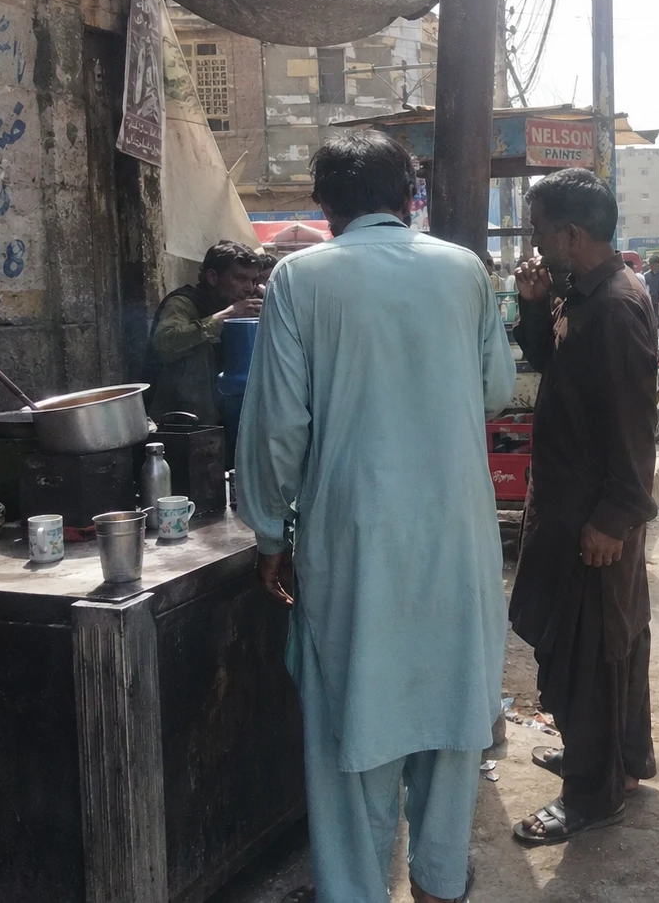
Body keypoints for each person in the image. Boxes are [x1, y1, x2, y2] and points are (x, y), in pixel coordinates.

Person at [236, 130, 515, 903]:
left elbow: (276, 428)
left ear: (327, 210)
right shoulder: (464, 271)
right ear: (408, 199)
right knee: (451, 722)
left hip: (351, 540)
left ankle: (358, 889)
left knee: (352, 735)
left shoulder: (302, 280)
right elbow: (495, 390)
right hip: (456, 534)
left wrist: (268, 533)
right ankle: (437, 883)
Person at [509, 168, 658, 846]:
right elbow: (555, 368)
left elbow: (633, 427)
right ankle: (614, 761)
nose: (537, 246)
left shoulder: (615, 306)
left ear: (570, 233)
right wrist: (536, 306)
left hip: (592, 517)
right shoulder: (584, 296)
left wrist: (614, 518)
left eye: (541, 233)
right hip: (574, 506)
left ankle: (591, 795)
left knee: (589, 654)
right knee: (604, 644)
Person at [144, 240, 262, 424]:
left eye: (253, 280)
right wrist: (223, 317)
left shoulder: (246, 308)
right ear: (213, 277)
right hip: (181, 419)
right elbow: (164, 344)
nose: (249, 288)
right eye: (240, 278)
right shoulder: (184, 303)